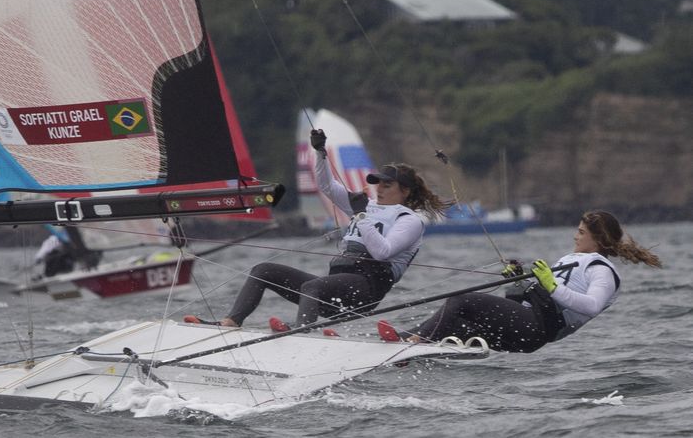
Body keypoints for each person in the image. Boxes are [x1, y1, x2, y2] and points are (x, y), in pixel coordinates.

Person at [186, 128, 450, 331]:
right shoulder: (365, 206)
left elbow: (383, 252)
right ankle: (231, 322)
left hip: (366, 289)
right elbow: (326, 186)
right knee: (263, 270)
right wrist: (320, 153)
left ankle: (302, 334)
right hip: (335, 288)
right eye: (377, 183)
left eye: (387, 185)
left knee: (312, 286)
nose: (378, 188)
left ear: (405, 191)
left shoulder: (411, 220)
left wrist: (359, 214)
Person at [378, 210, 661, 352]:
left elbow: (591, 305)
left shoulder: (603, 270)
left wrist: (551, 285)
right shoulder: (569, 259)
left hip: (537, 328)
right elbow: (528, 298)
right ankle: (393, 345)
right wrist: (516, 281)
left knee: (461, 300)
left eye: (581, 232)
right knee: (454, 323)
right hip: (526, 320)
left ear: (597, 239)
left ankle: (409, 343)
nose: (575, 236)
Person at [33, 227, 101, 278]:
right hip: (55, 268)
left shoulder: (81, 236)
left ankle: (89, 269)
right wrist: (39, 258)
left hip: (69, 266)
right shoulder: (55, 239)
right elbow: (41, 253)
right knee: (58, 257)